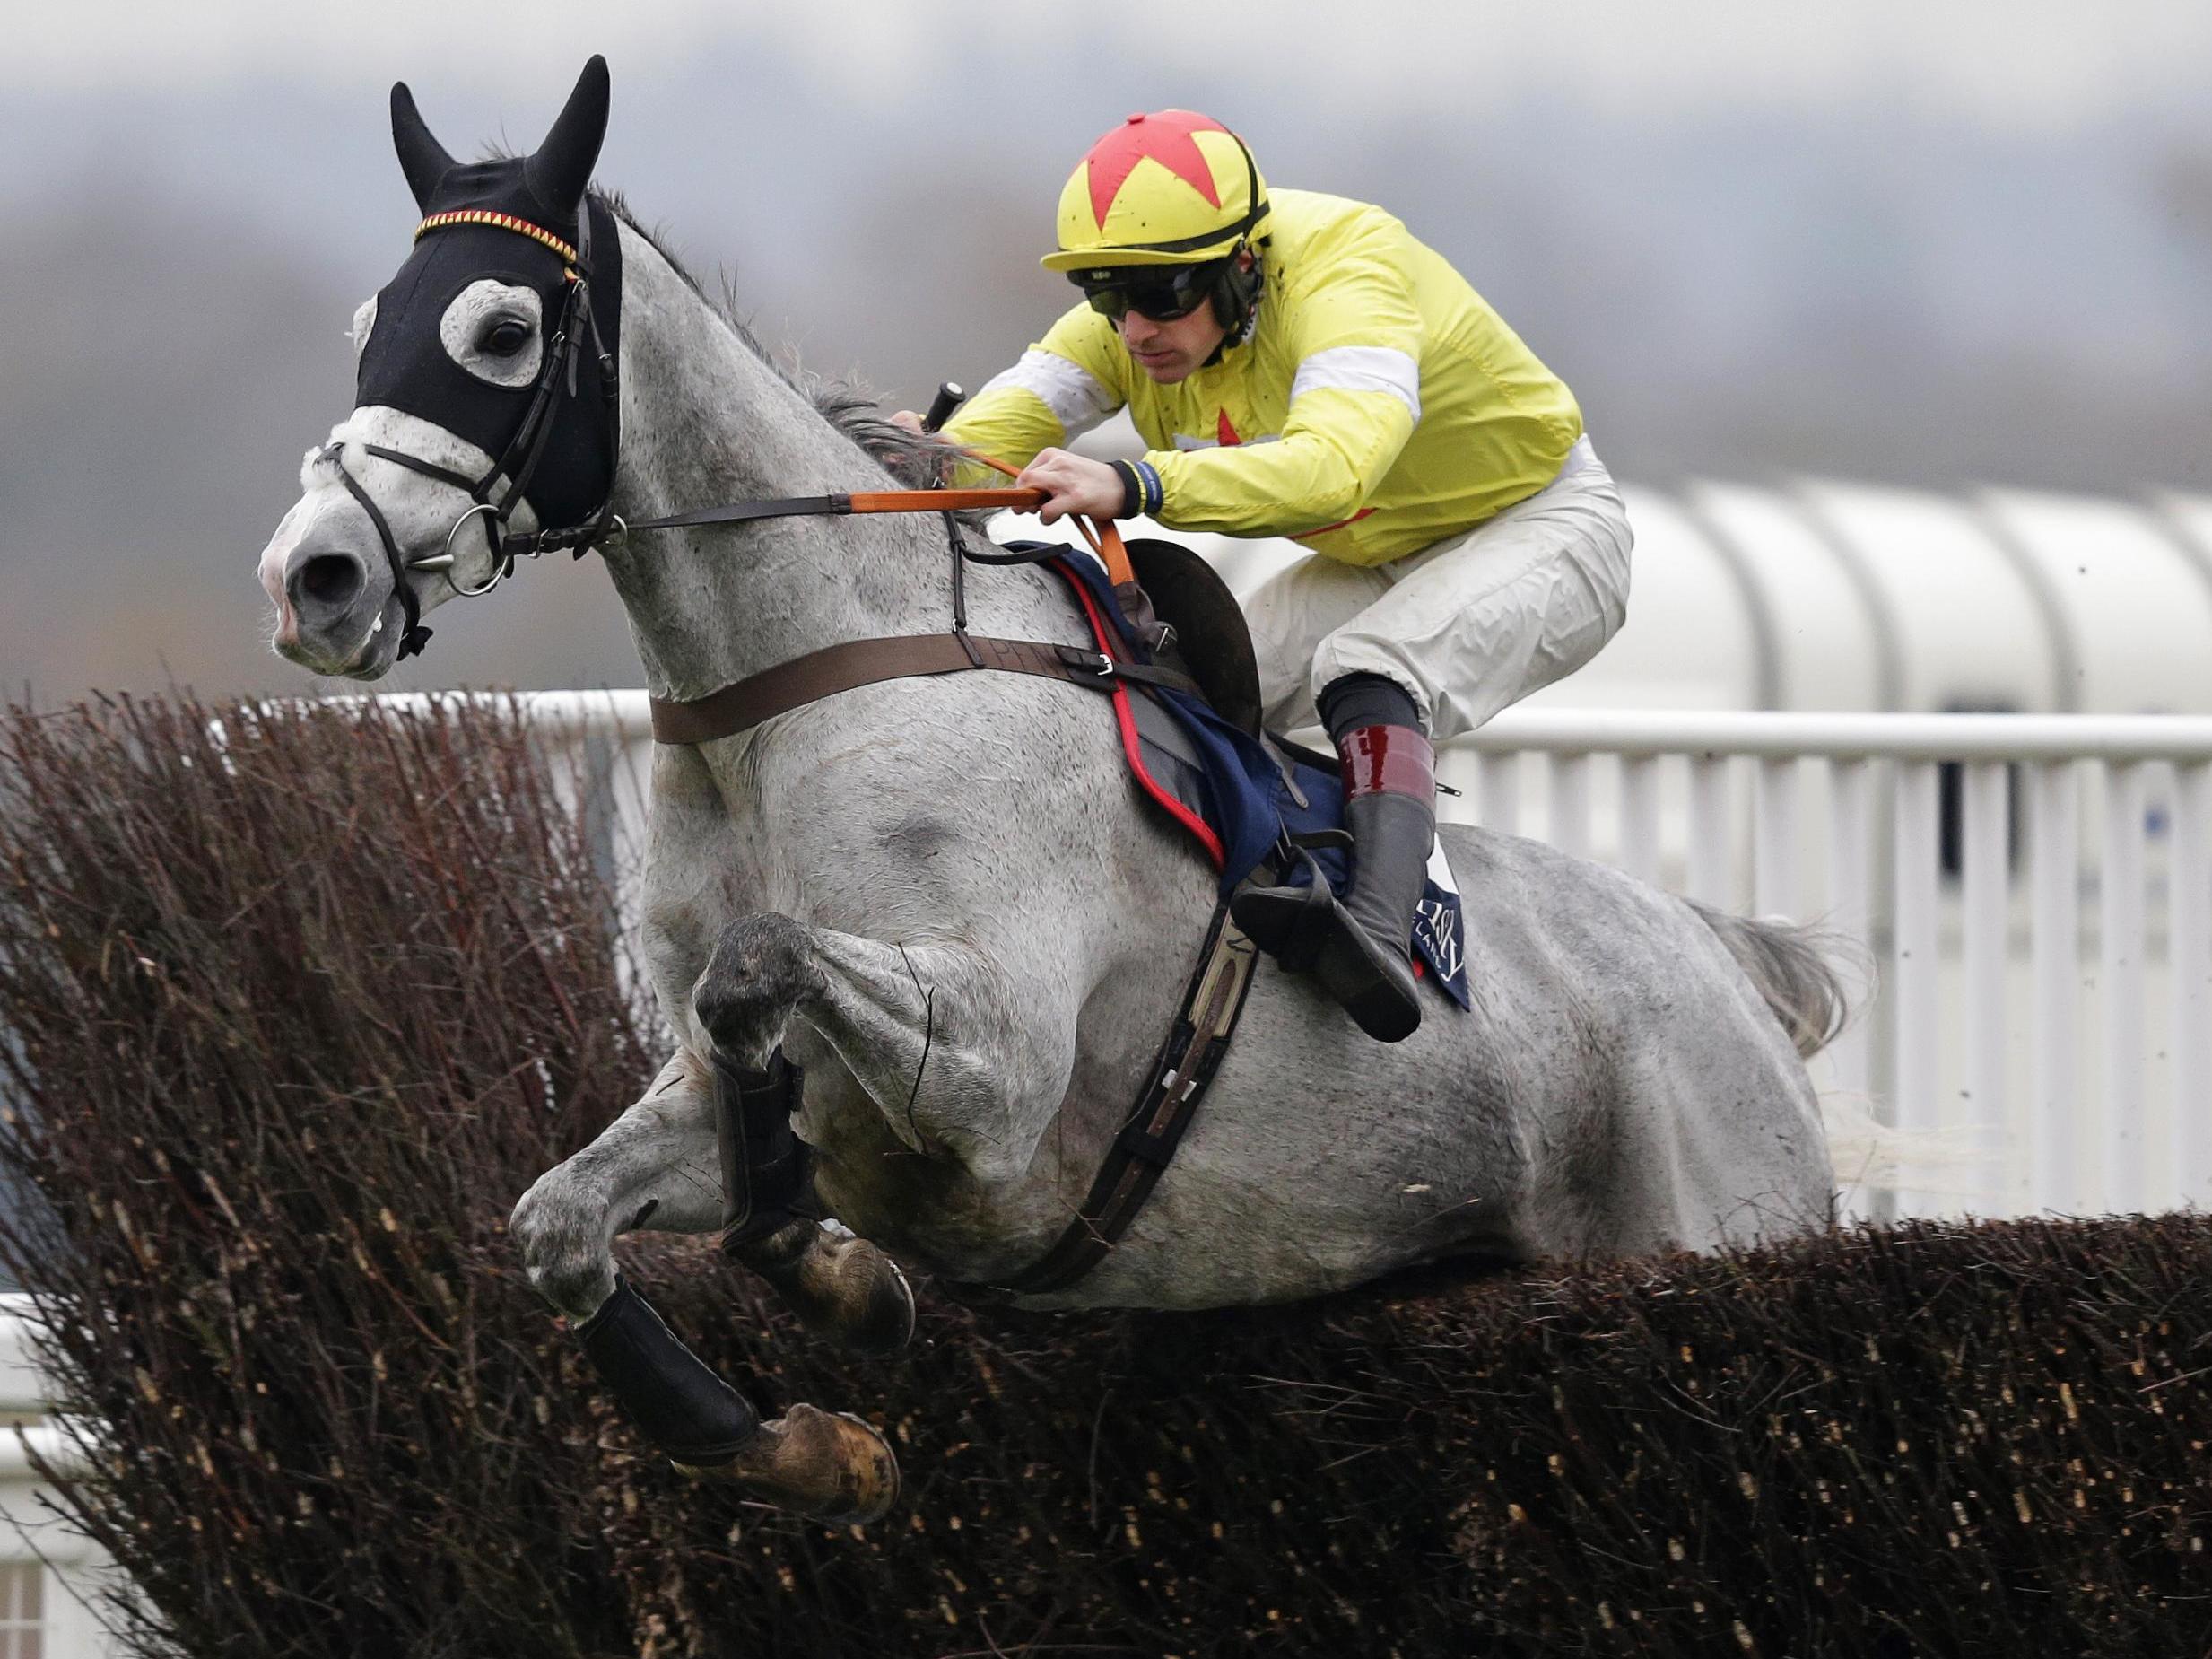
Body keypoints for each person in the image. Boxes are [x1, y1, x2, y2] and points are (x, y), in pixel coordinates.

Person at [896, 109, 1633, 1042]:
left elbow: (1336, 469)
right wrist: (894, 461)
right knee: (1195, 694)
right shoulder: (1133, 325)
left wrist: (1136, 481)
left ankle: (1374, 927)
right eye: (1104, 295)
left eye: (1161, 294)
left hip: (1545, 524)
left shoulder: (1348, 270)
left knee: (1369, 665)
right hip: (1383, 551)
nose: (1134, 328)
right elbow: (969, 457)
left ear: (1244, 263)